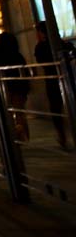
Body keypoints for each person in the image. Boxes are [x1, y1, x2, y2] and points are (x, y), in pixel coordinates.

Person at [33, 21, 70, 149]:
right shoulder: (62, 43)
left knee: (56, 108)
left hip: (52, 80)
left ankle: (61, 136)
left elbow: (41, 62)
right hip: (67, 79)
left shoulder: (40, 47)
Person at [0, 31, 31, 142]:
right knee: (20, 112)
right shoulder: (18, 56)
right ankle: (24, 135)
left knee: (8, 113)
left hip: (7, 88)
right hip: (20, 88)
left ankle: (14, 136)